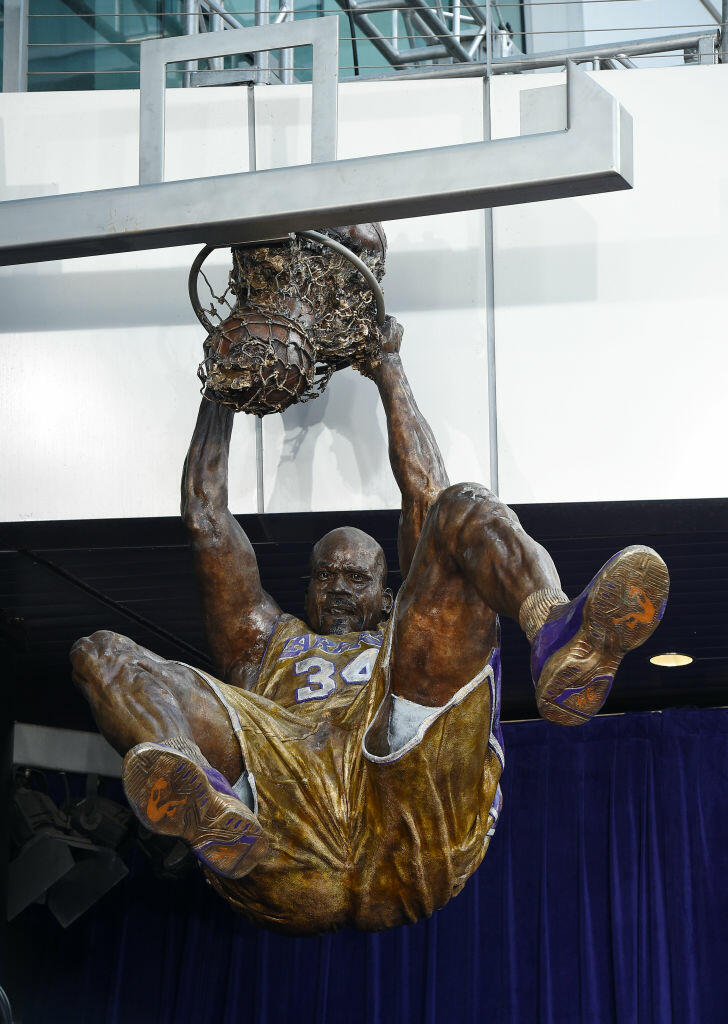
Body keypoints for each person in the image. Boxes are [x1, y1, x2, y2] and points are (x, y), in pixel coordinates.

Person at [70, 280, 669, 937]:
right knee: (100, 654)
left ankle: (556, 631)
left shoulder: (403, 640)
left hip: (409, 810)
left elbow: (426, 494)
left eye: (357, 576)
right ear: (303, 590)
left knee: (459, 507)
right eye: (325, 574)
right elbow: (206, 519)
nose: (337, 585)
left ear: (388, 594)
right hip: (281, 822)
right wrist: (220, 385)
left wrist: (387, 367)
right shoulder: (265, 643)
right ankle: (205, 793)